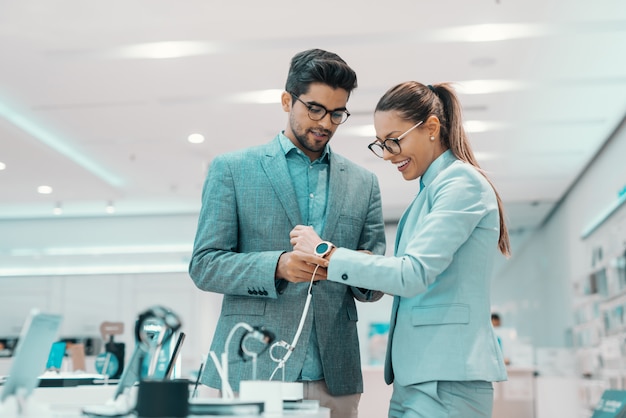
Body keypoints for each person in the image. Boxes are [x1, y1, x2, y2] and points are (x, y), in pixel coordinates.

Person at [290, 81, 511, 418]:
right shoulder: (432, 190)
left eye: (394, 140)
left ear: (432, 128)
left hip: (446, 380)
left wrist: (327, 253)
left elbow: (412, 274)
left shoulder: (460, 184)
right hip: (421, 378)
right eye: (382, 144)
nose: (389, 153)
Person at [188, 48, 387, 418]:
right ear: (286, 101)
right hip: (252, 366)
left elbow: (374, 284)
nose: (325, 123)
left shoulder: (364, 184)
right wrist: (277, 266)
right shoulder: (232, 169)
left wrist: (342, 265)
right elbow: (204, 265)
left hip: (335, 375)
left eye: (337, 113)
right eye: (315, 109)